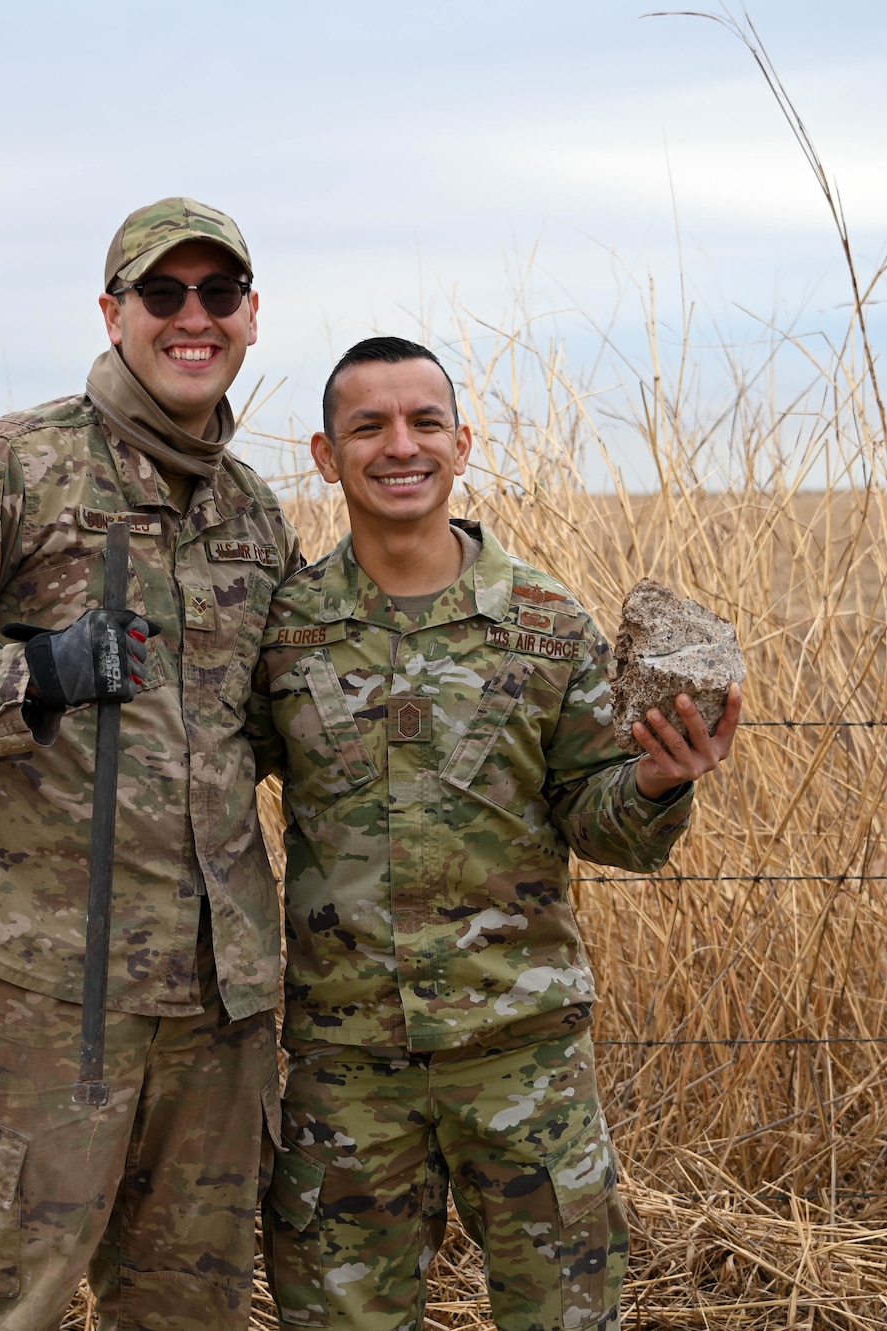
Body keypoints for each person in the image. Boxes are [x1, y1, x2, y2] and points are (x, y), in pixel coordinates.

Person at [0, 197, 303, 1331]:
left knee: (188, 1313)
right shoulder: (10, 465)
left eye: (217, 295)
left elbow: (276, 727)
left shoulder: (249, 510)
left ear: (249, 318)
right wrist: (36, 672)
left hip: (214, 1006)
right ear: (113, 311)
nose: (192, 317)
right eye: (161, 294)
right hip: (40, 993)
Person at [248, 336, 740, 1331]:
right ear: (323, 452)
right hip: (347, 1068)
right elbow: (203, 789)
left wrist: (652, 781)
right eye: (368, 424)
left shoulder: (543, 620)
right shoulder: (284, 628)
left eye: (424, 421)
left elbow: (607, 824)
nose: (400, 445)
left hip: (520, 1059)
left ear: (461, 441)